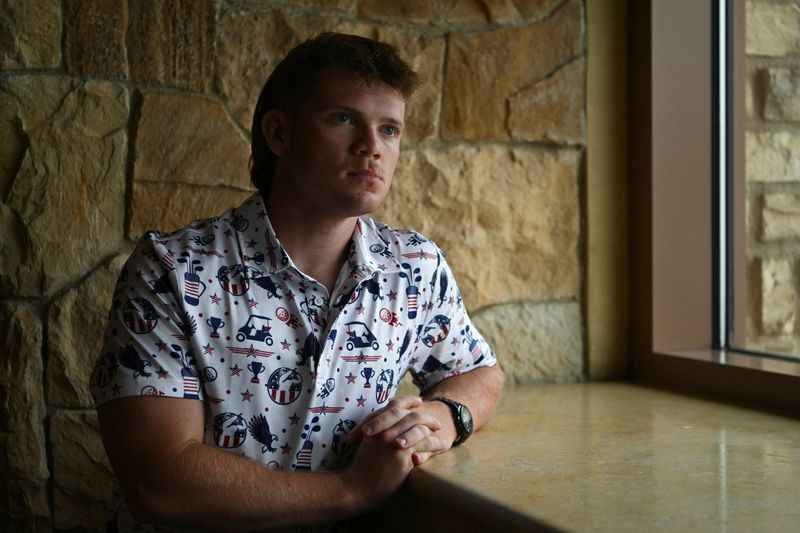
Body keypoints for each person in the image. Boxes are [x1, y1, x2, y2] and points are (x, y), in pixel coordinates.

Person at [91, 32, 503, 532]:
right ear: (280, 134)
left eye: (389, 129)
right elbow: (159, 483)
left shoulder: (413, 266)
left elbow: (480, 374)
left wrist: (442, 416)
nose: (372, 147)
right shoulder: (171, 271)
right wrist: (351, 491)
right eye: (344, 118)